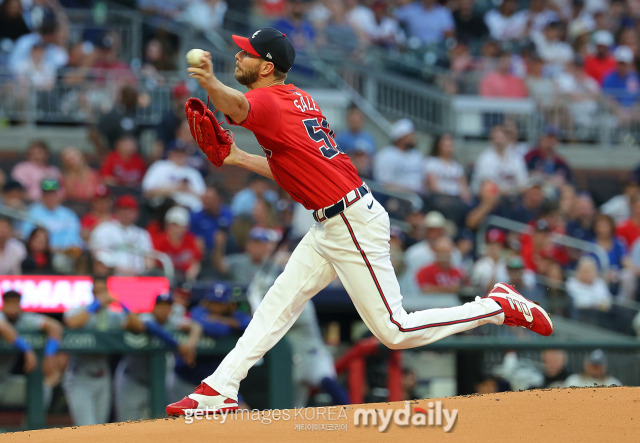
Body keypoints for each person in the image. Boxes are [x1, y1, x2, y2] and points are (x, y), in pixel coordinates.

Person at [166, 27, 554, 415]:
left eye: (246, 53)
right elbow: (291, 166)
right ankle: (220, 387)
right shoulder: (295, 98)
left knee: (395, 331)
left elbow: (234, 107)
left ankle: (497, 306)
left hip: (349, 221)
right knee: (275, 306)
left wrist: (210, 81)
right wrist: (237, 158)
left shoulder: (265, 101)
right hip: (334, 220)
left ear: (267, 67)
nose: (238, 56)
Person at [63, 276, 143, 426]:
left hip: (103, 377)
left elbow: (138, 326)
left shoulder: (112, 314)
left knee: (100, 430)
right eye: (97, 292)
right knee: (87, 429)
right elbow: (71, 323)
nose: (100, 295)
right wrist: (97, 304)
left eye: (103, 291)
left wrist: (122, 303)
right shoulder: (82, 310)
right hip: (80, 377)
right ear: (92, 293)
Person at [114, 293, 202, 421]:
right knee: (127, 425)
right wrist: (178, 345)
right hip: (133, 380)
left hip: (158, 383)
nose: (164, 310)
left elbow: (196, 326)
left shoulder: (172, 321)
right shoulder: (146, 318)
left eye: (167, 307)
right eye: (161, 306)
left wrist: (190, 345)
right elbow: (140, 325)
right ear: (154, 307)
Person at [0, 290, 64, 409]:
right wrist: (27, 350)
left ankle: (31, 426)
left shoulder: (23, 318)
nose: (13, 308)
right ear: (4, 304)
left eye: (16, 304)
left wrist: (49, 355)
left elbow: (55, 327)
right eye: (9, 303)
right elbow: (3, 327)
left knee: (42, 387)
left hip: (4, 381)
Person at [89, 195, 155, 276]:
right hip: (112, 275)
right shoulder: (104, 228)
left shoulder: (142, 234)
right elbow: (98, 255)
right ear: (116, 211)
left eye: (129, 210)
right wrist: (118, 269)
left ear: (136, 213)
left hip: (139, 277)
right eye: (123, 209)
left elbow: (149, 260)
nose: (126, 213)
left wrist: (145, 272)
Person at [21, 178, 82, 252]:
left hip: (65, 253)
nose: (50, 197)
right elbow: (27, 235)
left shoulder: (69, 214)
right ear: (42, 196)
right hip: (42, 252)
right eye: (47, 194)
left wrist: (63, 249)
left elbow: (74, 236)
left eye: (53, 194)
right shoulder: (32, 212)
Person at [142, 145, 206, 212]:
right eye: (176, 153)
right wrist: (175, 188)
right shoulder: (160, 166)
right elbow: (147, 192)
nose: (179, 156)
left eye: (182, 153)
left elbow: (205, 198)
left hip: (192, 210)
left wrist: (188, 189)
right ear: (170, 153)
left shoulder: (194, 173)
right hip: (165, 208)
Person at [373, 118, 426, 194]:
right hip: (396, 196)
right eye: (410, 135)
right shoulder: (385, 155)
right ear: (401, 137)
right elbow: (384, 184)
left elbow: (423, 180)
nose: (413, 138)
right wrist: (408, 191)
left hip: (419, 196)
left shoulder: (417, 155)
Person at [152, 206, 203, 282]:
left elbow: (196, 262)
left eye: (179, 226)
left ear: (186, 227)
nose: (176, 229)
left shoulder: (190, 239)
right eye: (173, 225)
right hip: (164, 276)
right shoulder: (159, 240)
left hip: (184, 278)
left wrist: (192, 273)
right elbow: (153, 263)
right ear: (167, 225)